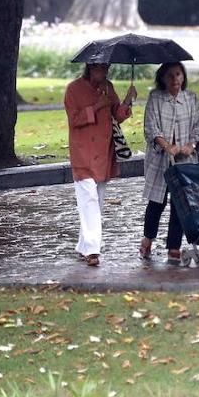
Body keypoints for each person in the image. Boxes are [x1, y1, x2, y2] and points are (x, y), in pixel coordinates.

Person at [64, 63, 136, 267]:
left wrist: (128, 99)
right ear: (90, 67)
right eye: (99, 68)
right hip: (83, 153)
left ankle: (83, 245)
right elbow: (74, 119)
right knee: (89, 199)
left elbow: (117, 115)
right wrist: (96, 106)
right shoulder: (73, 89)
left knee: (97, 202)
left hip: (104, 153)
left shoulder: (108, 87)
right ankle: (93, 250)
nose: (103, 71)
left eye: (106, 68)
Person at [140, 62, 199, 265]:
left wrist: (190, 145)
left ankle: (174, 246)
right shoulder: (155, 98)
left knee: (180, 204)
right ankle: (148, 238)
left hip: (185, 161)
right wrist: (167, 146)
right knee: (157, 202)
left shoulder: (191, 98)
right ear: (162, 78)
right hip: (160, 161)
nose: (175, 79)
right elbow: (151, 128)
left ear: (183, 77)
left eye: (178, 74)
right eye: (170, 75)